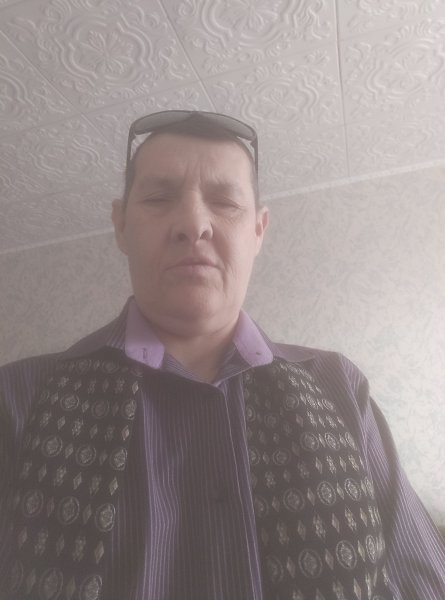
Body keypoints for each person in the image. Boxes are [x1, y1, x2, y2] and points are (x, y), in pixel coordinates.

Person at [0, 110, 444, 600]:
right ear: (121, 225)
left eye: (225, 202)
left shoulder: (340, 386)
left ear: (258, 230)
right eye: (158, 198)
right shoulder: (17, 400)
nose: (193, 224)